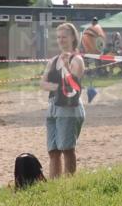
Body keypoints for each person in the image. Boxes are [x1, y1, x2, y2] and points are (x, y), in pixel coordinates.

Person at [39, 23, 85, 177]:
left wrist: (66, 67)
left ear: (73, 38)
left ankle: (69, 183)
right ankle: (55, 184)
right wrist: (58, 86)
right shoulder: (53, 60)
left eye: (64, 37)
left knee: (67, 149)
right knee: (53, 151)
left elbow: (74, 85)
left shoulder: (77, 60)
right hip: (53, 106)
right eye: (58, 37)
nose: (60, 40)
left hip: (69, 108)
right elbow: (42, 83)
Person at [80, 17, 107, 102]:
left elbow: (101, 41)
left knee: (96, 64)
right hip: (90, 52)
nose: (94, 22)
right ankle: (91, 77)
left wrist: (100, 50)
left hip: (95, 52)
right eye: (94, 21)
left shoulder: (97, 29)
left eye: (95, 21)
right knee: (91, 65)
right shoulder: (89, 30)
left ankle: (94, 76)